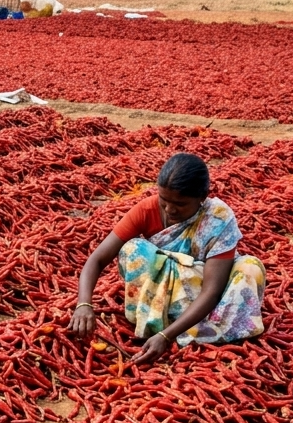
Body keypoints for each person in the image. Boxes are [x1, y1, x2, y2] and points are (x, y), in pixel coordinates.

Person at [69, 152, 266, 365]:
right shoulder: (146, 210)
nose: (169, 209)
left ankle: (189, 328)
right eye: (164, 200)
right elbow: (97, 259)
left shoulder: (218, 219)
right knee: (134, 248)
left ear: (202, 197)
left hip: (206, 294)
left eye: (180, 204)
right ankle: (164, 323)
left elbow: (212, 290)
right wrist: (83, 304)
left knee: (250, 267)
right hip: (163, 297)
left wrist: (166, 336)